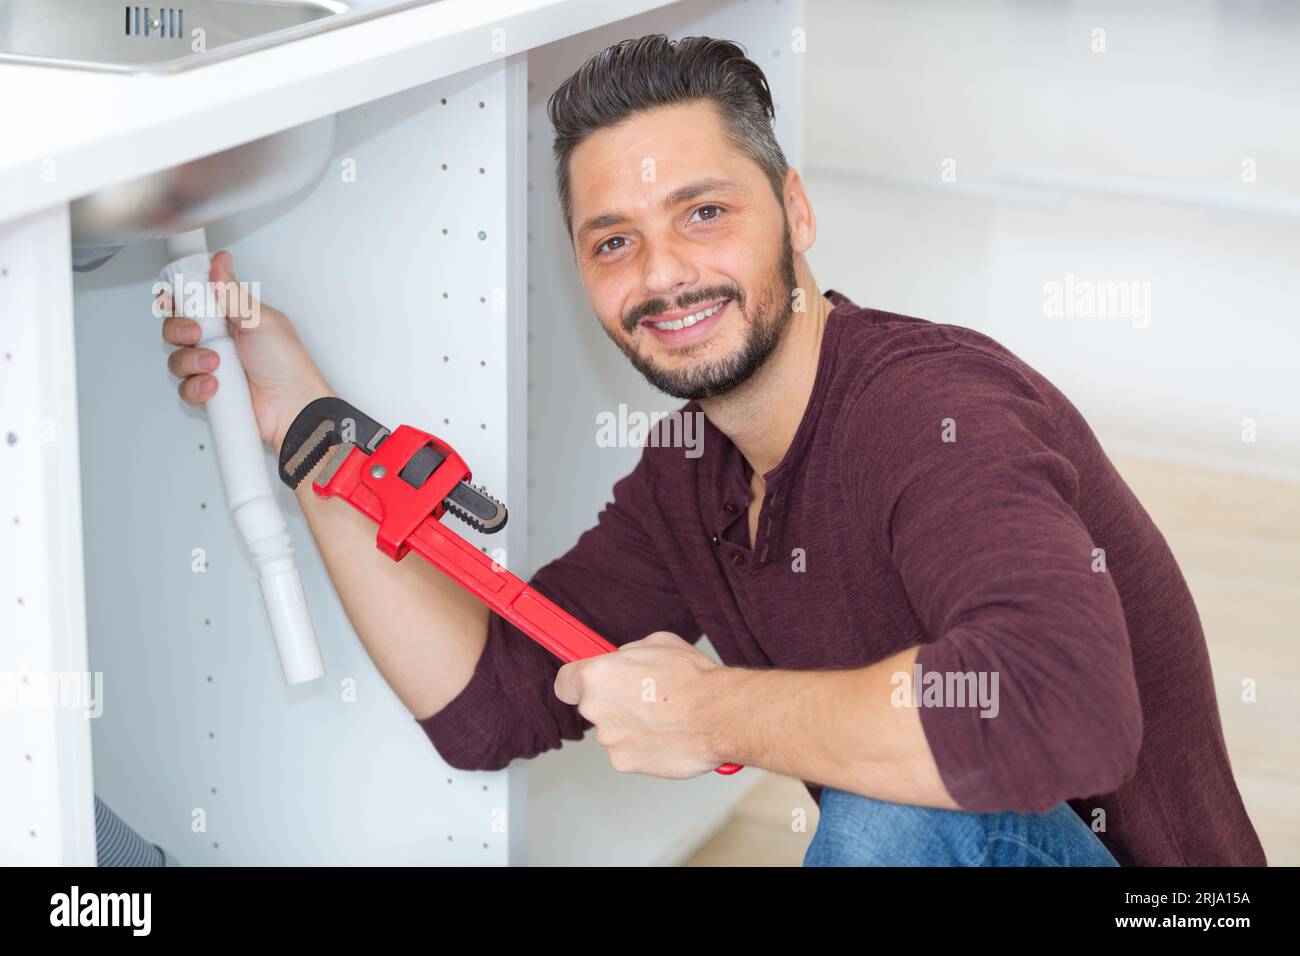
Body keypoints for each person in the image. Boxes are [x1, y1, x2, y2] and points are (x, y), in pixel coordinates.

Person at [158, 35, 1265, 867]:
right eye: (614, 241)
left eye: (703, 213)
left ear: (795, 209)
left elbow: (1058, 706)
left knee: (887, 821)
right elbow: (490, 701)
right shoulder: (695, 470)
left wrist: (704, 708)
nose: (663, 274)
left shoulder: (936, 418)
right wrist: (303, 429)